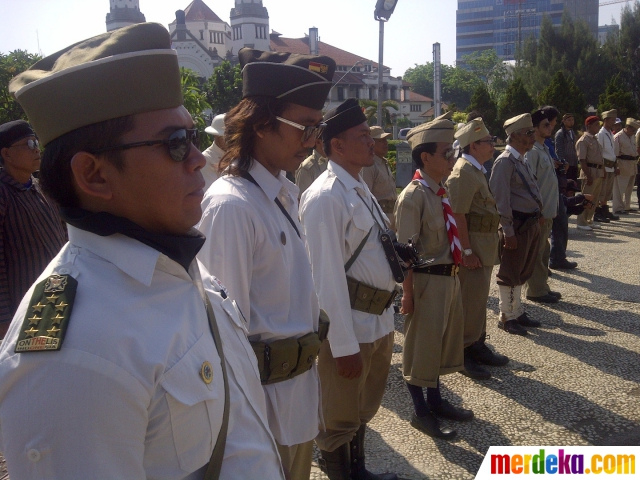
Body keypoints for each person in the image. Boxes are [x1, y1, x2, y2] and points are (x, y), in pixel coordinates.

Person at [0, 23, 284, 479]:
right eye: (175, 144)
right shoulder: (74, 353)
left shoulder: (174, 264)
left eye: (193, 137)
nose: (197, 158)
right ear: (94, 175)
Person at [197, 48, 336, 480]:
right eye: (305, 128)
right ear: (260, 123)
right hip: (262, 415)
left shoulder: (282, 193)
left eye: (319, 128)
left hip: (294, 400)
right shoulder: (231, 206)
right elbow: (225, 339)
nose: (313, 141)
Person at [300, 98, 398, 480]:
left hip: (377, 320)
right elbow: (324, 279)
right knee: (338, 416)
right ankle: (343, 473)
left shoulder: (358, 187)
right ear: (336, 145)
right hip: (350, 328)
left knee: (361, 409)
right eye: (361, 136)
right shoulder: (325, 197)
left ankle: (358, 470)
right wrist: (342, 347)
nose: (371, 142)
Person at [394, 116, 472, 441]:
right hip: (426, 282)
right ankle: (420, 412)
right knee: (420, 349)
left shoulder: (440, 191)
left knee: (438, 347)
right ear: (426, 157)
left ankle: (436, 401)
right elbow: (405, 254)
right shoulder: (413, 197)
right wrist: (407, 295)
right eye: (445, 153)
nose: (451, 159)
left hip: (448, 279)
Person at [445, 118, 509, 380]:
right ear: (473, 145)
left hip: (483, 244)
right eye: (487, 141)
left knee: (478, 299)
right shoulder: (462, 173)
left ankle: (477, 344)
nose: (492, 145)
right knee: (469, 302)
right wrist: (466, 252)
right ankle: (463, 352)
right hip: (473, 249)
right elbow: (457, 215)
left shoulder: (476, 169)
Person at [0, 121, 67, 336]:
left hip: (56, 294)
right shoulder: (3, 194)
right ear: (7, 155)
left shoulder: (40, 188)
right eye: (28, 143)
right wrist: (3, 317)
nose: (36, 148)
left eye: (36, 142)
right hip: (25, 306)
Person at [490, 114, 543, 336]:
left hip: (529, 224)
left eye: (532, 132)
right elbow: (500, 201)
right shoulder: (504, 162)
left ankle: (517, 311)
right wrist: (508, 231)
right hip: (517, 226)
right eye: (528, 133)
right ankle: (506, 315)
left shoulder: (521, 159)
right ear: (514, 136)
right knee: (510, 271)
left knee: (523, 269)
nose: (533, 137)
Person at [524, 107, 562, 304]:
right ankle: (536, 291)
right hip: (539, 212)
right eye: (545, 125)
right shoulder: (533, 152)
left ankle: (542, 286)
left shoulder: (544, 147)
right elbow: (530, 185)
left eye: (550, 124)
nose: (550, 128)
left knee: (543, 251)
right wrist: (536, 211)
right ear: (535, 128)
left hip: (547, 211)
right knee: (537, 253)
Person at [576, 116, 606, 231]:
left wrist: (603, 171)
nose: (598, 127)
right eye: (596, 125)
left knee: (594, 198)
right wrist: (588, 175)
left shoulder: (595, 139)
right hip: (590, 171)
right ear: (589, 126)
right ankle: (581, 221)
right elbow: (582, 160)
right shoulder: (584, 140)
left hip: (598, 171)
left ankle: (589, 220)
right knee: (586, 198)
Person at [362, 126, 397, 219]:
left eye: (385, 140)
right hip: (378, 217)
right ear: (371, 143)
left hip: (392, 216)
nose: (385, 143)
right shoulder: (369, 166)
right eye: (381, 140)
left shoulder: (384, 162)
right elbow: (365, 197)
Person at [596, 109, 620, 222]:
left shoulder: (610, 133)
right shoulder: (601, 134)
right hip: (604, 166)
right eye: (612, 120)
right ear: (605, 120)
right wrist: (602, 168)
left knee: (607, 191)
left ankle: (604, 210)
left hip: (611, 166)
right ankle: (597, 212)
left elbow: (612, 152)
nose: (614, 122)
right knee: (601, 191)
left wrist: (616, 166)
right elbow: (599, 152)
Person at [613, 118, 639, 214]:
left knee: (629, 187)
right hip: (622, 163)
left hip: (632, 164)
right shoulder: (618, 137)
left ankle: (627, 206)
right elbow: (615, 154)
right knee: (619, 188)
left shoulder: (632, 136)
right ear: (627, 127)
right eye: (632, 130)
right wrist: (616, 167)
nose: (634, 132)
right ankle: (618, 208)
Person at [201, 112, 227, 190]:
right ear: (216, 136)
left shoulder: (237, 155)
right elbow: (210, 190)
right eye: (226, 137)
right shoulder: (206, 159)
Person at [555, 113, 579, 181]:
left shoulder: (572, 133)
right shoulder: (560, 133)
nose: (571, 122)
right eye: (569, 120)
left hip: (573, 164)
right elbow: (558, 150)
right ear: (564, 121)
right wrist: (563, 163)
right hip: (566, 165)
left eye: (572, 120)